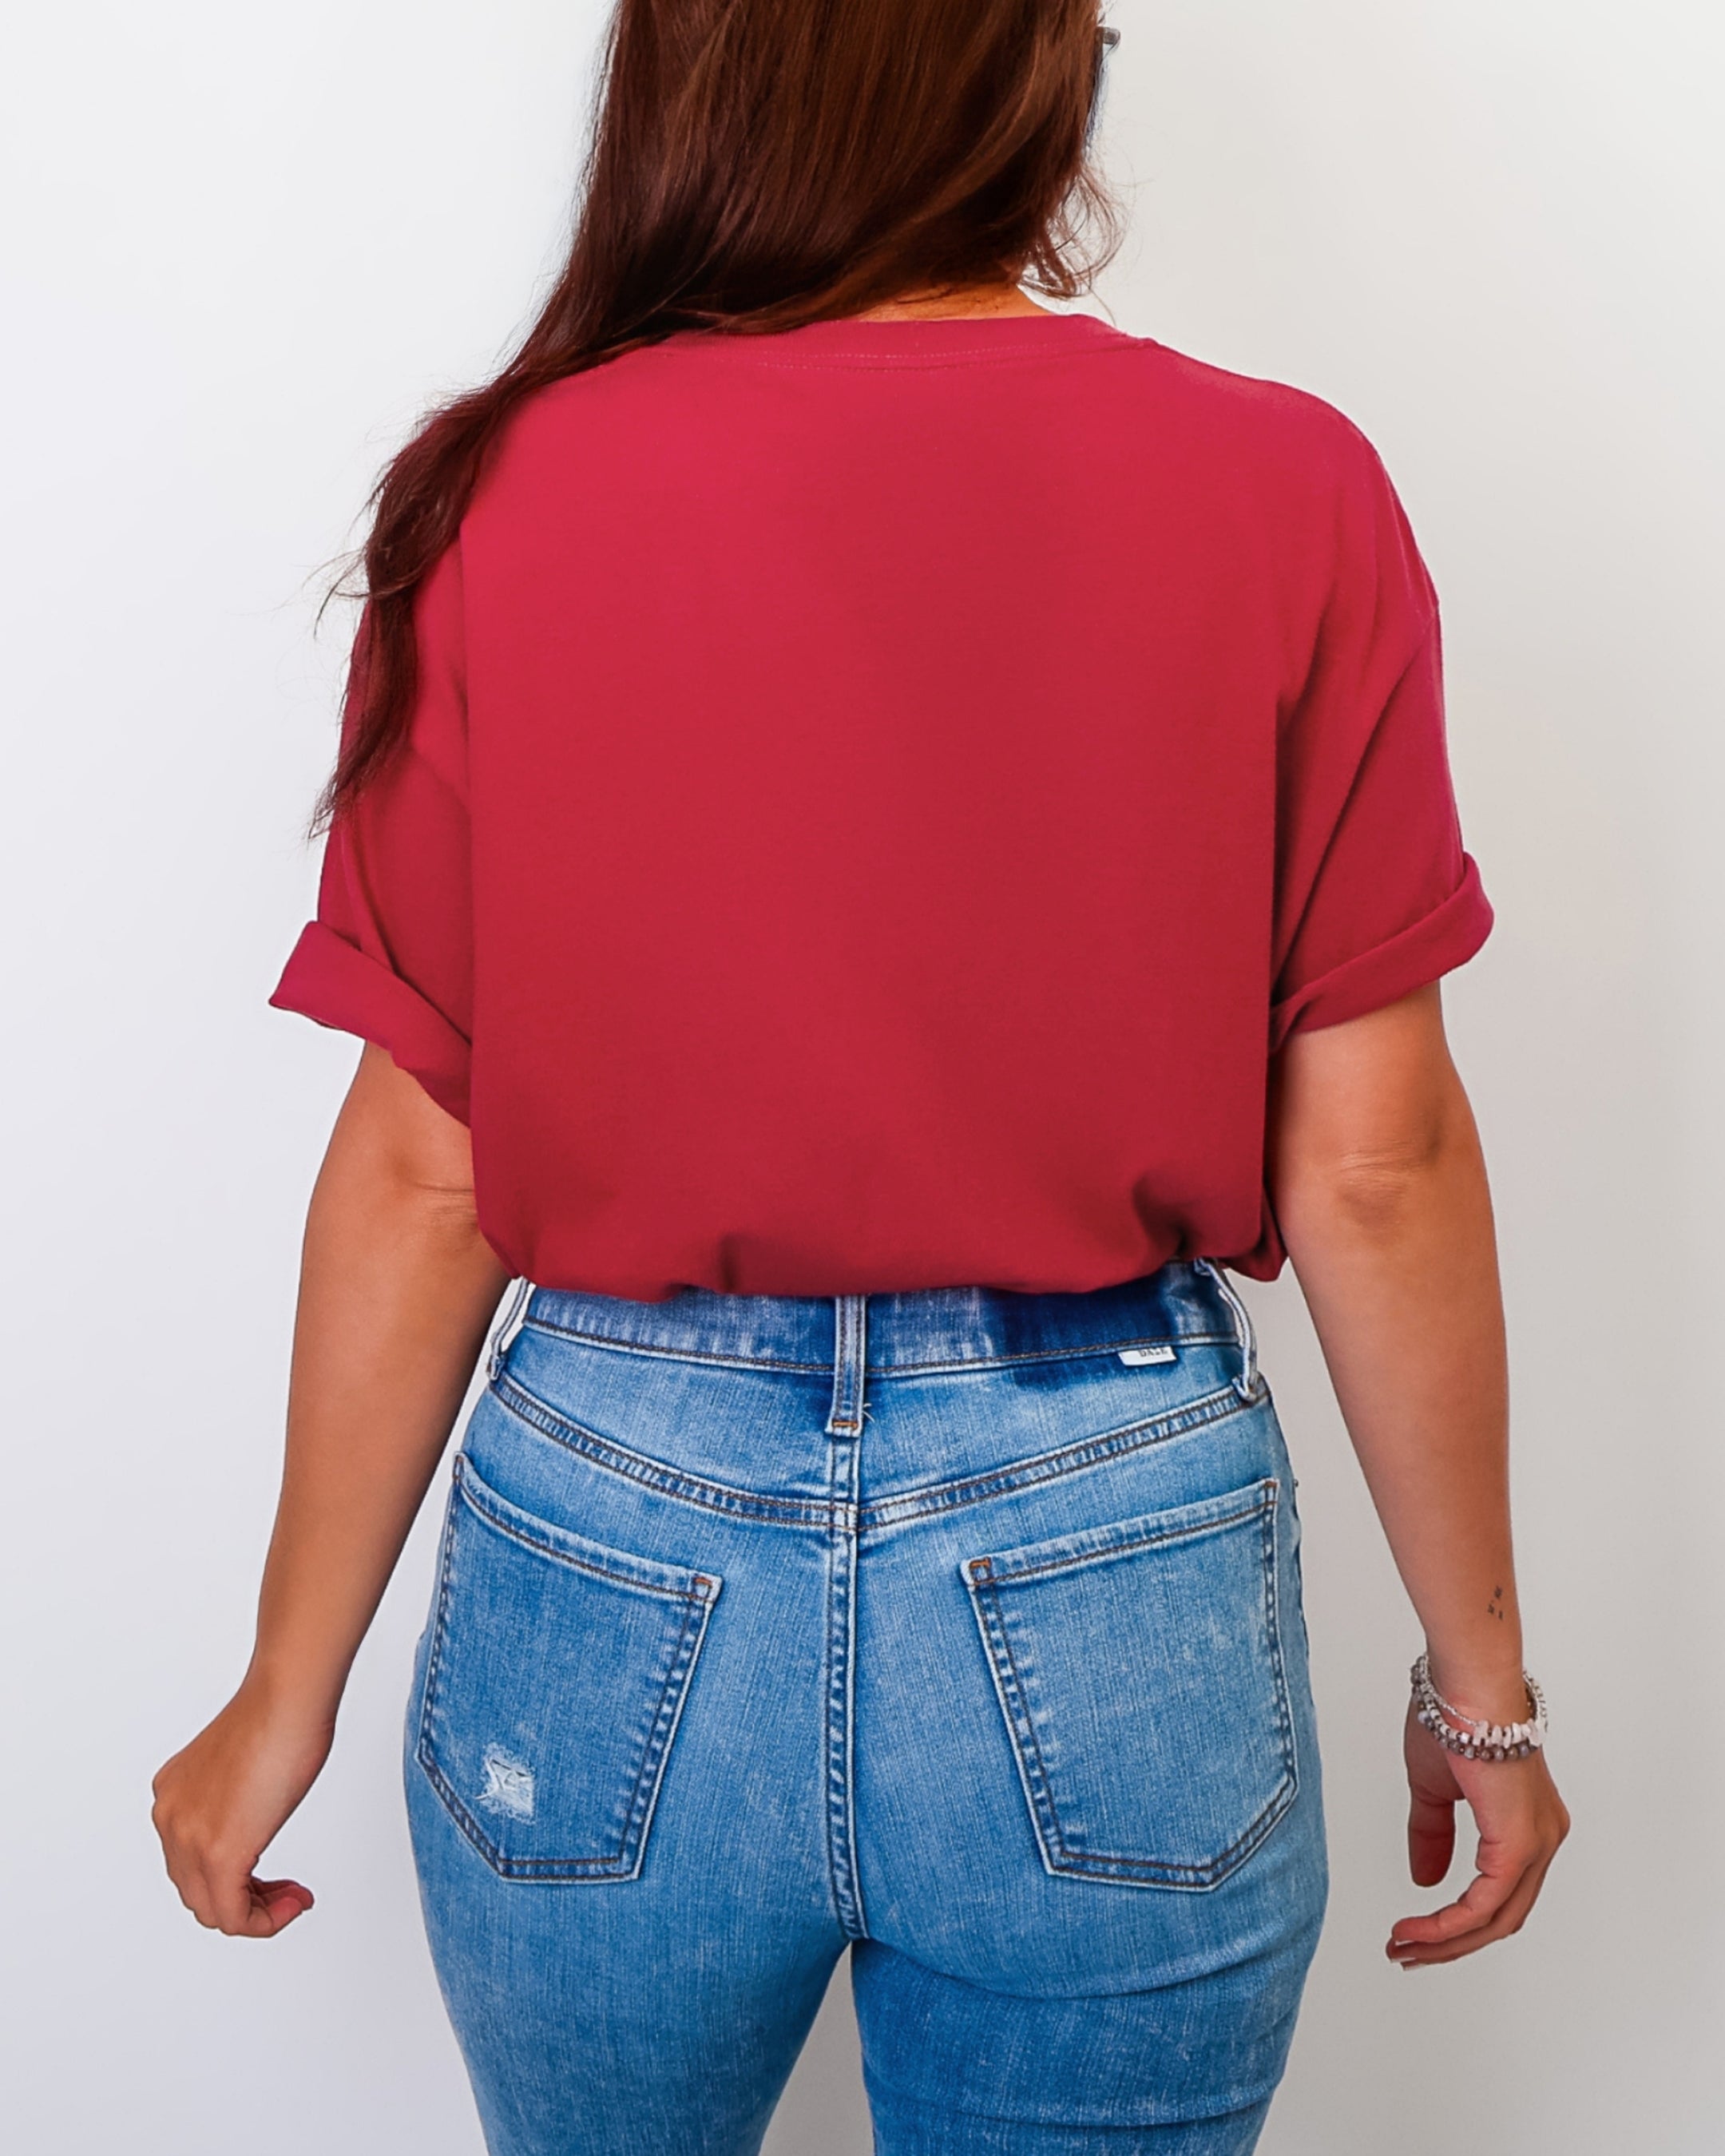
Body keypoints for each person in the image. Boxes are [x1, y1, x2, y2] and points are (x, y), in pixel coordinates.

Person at [151, 2, 1568, 2150]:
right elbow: (1376, 1165)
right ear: (1023, 76)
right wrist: (1484, 1691)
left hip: (614, 1529)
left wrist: (287, 1685)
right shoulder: (1288, 488)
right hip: (1108, 1534)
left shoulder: (502, 495)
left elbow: (427, 1172)